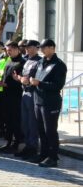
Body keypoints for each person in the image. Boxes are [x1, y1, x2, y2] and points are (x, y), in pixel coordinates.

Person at [30, 39, 67, 168]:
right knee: (41, 130)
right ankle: (43, 154)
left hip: (51, 102)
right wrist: (29, 81)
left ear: (52, 48)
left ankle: (53, 157)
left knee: (50, 130)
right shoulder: (41, 62)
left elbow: (58, 85)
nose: (41, 50)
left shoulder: (59, 65)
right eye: (41, 48)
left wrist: (39, 83)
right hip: (38, 100)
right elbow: (35, 76)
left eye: (44, 47)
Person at [15, 40, 41, 160]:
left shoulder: (39, 61)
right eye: (26, 47)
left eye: (29, 47)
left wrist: (28, 81)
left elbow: (39, 78)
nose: (27, 49)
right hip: (24, 92)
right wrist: (19, 78)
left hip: (33, 93)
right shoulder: (27, 61)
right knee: (24, 123)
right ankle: (27, 145)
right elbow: (23, 76)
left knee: (32, 122)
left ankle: (33, 148)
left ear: (36, 48)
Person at [0, 40, 24, 153]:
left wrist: (7, 84)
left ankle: (16, 143)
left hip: (16, 95)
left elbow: (21, 80)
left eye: (10, 50)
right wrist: (0, 83)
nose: (8, 52)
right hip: (6, 95)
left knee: (15, 120)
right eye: (7, 50)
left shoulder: (22, 62)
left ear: (17, 49)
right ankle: (8, 142)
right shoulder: (8, 61)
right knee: (7, 120)